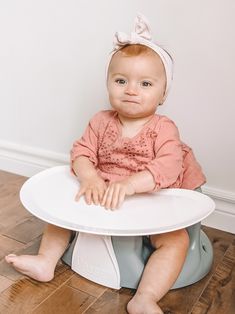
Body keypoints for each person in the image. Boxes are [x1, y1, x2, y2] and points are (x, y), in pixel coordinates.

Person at [5, 14, 206, 314]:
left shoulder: (164, 129)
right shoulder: (101, 122)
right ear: (108, 84)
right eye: (121, 80)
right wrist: (89, 178)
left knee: (175, 241)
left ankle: (146, 297)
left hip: (150, 199)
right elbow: (81, 152)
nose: (131, 90)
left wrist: (131, 184)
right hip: (104, 195)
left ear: (163, 93)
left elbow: (168, 166)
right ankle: (46, 261)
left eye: (145, 83)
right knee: (61, 214)